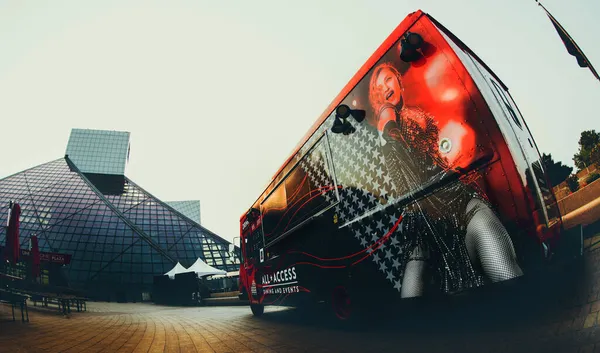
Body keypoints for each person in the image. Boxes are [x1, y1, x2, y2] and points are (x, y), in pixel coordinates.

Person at [367, 62, 523, 297]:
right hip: (423, 222)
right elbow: (392, 147)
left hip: (458, 202)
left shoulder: (417, 115)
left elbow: (432, 154)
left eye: (388, 79)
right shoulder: (385, 120)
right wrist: (386, 116)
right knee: (412, 297)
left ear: (399, 81)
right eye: (378, 87)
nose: (385, 87)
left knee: (504, 267)